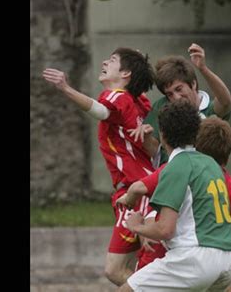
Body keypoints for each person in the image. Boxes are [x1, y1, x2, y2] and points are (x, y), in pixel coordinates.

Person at [42, 47, 156, 286]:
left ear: (125, 74)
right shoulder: (137, 100)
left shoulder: (118, 96)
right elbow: (144, 99)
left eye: (112, 60)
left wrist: (65, 87)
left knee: (115, 271)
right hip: (145, 188)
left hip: (135, 194)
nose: (105, 61)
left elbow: (100, 111)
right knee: (142, 269)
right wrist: (138, 61)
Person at [118, 101, 231, 292]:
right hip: (229, 259)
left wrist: (136, 226)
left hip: (196, 258)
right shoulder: (211, 164)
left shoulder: (176, 167)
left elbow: (165, 230)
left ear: (163, 134)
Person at [131, 43, 231, 166]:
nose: (176, 97)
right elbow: (155, 150)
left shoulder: (209, 111)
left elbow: (225, 102)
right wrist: (146, 137)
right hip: (170, 172)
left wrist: (203, 68)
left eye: (179, 89)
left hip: (203, 174)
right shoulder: (163, 106)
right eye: (169, 94)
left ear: (193, 84)